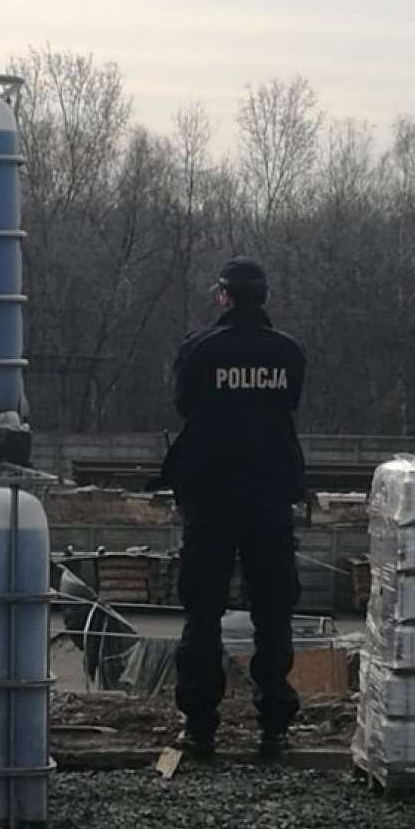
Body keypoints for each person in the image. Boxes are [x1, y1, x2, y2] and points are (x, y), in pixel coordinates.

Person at [149, 256, 308, 759]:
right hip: (269, 495)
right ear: (264, 298)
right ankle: (274, 726)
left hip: (211, 497)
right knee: (274, 612)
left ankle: (199, 726)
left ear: (224, 297)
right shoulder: (288, 354)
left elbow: (184, 406)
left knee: (203, 612)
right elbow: (290, 407)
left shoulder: (200, 351)